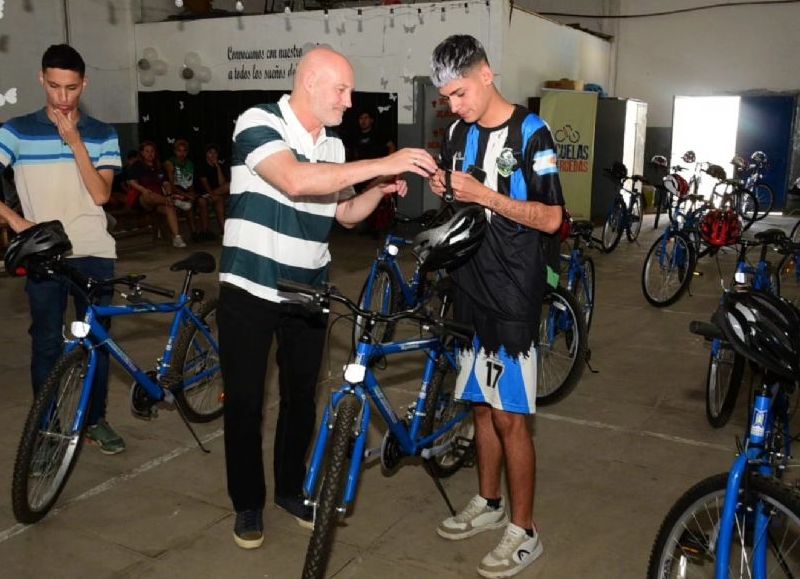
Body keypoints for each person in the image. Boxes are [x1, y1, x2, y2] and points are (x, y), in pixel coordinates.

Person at [218, 45, 437, 550]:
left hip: (308, 289)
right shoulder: (258, 121)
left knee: (301, 398)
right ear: (310, 82)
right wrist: (382, 160)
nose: (348, 101)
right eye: (341, 89)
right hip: (250, 286)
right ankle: (248, 502)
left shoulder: (334, 146)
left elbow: (344, 215)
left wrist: (379, 189)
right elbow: (294, 180)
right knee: (245, 402)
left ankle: (290, 489)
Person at [427, 35, 564, 578]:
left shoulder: (532, 133)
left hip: (513, 287)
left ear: (486, 74)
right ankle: (488, 502)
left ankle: (525, 531)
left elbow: (552, 218)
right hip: (468, 281)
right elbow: (457, 198)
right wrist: (442, 185)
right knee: (480, 405)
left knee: (510, 415)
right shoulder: (457, 134)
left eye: (459, 93)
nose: (454, 106)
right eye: (447, 99)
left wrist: (486, 195)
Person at [0, 44, 125, 454]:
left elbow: (101, 194)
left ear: (84, 84)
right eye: (54, 86)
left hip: (94, 254)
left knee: (96, 342)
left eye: (71, 88)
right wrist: (16, 221)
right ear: (42, 79)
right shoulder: (17, 130)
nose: (62, 97)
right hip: (44, 257)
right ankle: (47, 431)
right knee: (47, 346)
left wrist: (75, 142)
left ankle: (95, 419)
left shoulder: (103, 133)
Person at [348, 108, 398, 236]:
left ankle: (376, 228)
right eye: (361, 118)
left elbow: (391, 146)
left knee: (375, 199)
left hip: (375, 173)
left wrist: (388, 163)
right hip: (360, 174)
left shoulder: (379, 134)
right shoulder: (354, 136)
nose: (363, 121)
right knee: (359, 199)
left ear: (371, 120)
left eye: (365, 118)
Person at [126, 141, 187, 247]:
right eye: (147, 151)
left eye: (152, 151)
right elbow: (131, 182)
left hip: (159, 199)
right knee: (150, 195)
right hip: (142, 198)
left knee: (169, 207)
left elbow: (166, 183)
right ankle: (175, 202)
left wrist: (168, 193)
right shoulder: (137, 165)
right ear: (142, 153)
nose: (150, 154)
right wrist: (144, 190)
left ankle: (177, 237)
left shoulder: (158, 165)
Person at [164, 138, 200, 241]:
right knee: (187, 202)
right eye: (179, 150)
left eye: (184, 151)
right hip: (172, 191)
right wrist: (186, 194)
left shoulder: (189, 164)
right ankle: (188, 232)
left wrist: (191, 193)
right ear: (175, 151)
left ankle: (194, 232)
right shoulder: (170, 163)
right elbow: (171, 184)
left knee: (193, 200)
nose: (182, 153)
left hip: (184, 191)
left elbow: (189, 182)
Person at [196, 143, 229, 239]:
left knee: (226, 188)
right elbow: (204, 182)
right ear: (206, 154)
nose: (213, 155)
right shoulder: (202, 165)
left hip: (215, 193)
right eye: (210, 153)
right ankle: (205, 231)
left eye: (215, 153)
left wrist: (217, 166)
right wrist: (211, 194)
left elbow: (222, 183)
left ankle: (224, 232)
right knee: (204, 201)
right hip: (204, 192)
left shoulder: (220, 165)